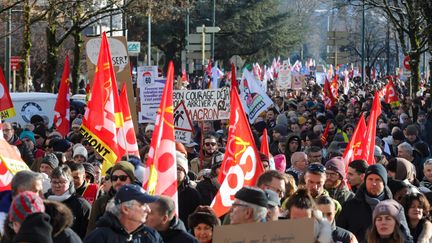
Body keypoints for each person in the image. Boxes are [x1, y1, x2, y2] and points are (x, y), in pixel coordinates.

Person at [337, 164, 412, 242]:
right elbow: (340, 234)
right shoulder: (350, 206)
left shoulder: (395, 208)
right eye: (370, 179)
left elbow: (406, 237)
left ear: (384, 183)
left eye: (377, 180)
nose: (373, 183)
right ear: (365, 181)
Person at [84, 184, 163, 243]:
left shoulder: (151, 235)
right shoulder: (99, 237)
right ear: (125, 209)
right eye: (142, 204)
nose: (148, 210)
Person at [86, 161, 135, 235]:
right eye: (114, 178)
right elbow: (91, 232)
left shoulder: (139, 202)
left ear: (131, 180)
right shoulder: (100, 202)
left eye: (123, 178)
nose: (118, 181)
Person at [46, 165, 91, 239]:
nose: (58, 185)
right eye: (54, 182)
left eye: (62, 182)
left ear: (70, 183)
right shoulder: (44, 201)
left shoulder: (81, 205)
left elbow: (86, 233)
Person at [177, 152, 202, 229]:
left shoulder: (192, 193)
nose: (175, 171)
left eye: (179, 168)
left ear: (185, 172)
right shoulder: (160, 190)